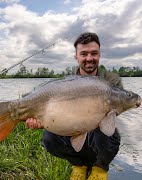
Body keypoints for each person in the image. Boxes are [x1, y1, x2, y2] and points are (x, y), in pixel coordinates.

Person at [26, 32, 122, 180]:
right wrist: (44, 121)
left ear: (99, 55)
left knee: (107, 130)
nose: (89, 58)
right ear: (76, 56)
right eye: (83, 54)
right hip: (72, 128)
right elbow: (56, 113)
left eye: (94, 53)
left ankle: (100, 167)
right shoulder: (66, 83)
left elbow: (116, 109)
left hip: (98, 131)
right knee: (48, 139)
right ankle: (79, 164)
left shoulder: (110, 80)